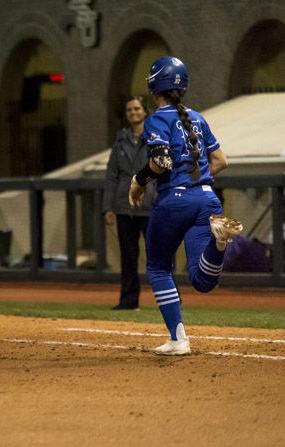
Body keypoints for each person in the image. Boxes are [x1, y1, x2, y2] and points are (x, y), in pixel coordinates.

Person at [128, 56, 243, 355]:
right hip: (206, 198)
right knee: (202, 280)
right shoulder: (198, 118)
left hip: (174, 200)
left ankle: (178, 339)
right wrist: (197, 179)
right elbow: (221, 161)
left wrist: (139, 180)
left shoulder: (156, 119)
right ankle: (219, 243)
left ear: (156, 86)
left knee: (157, 266)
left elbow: (161, 161)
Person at [103, 96, 156, 310]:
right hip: (124, 205)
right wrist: (108, 207)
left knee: (158, 255)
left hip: (150, 204)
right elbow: (111, 176)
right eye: (129, 110)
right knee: (128, 257)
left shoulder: (154, 138)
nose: (133, 112)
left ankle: (169, 301)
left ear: (145, 111)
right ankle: (128, 301)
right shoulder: (120, 141)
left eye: (136, 108)